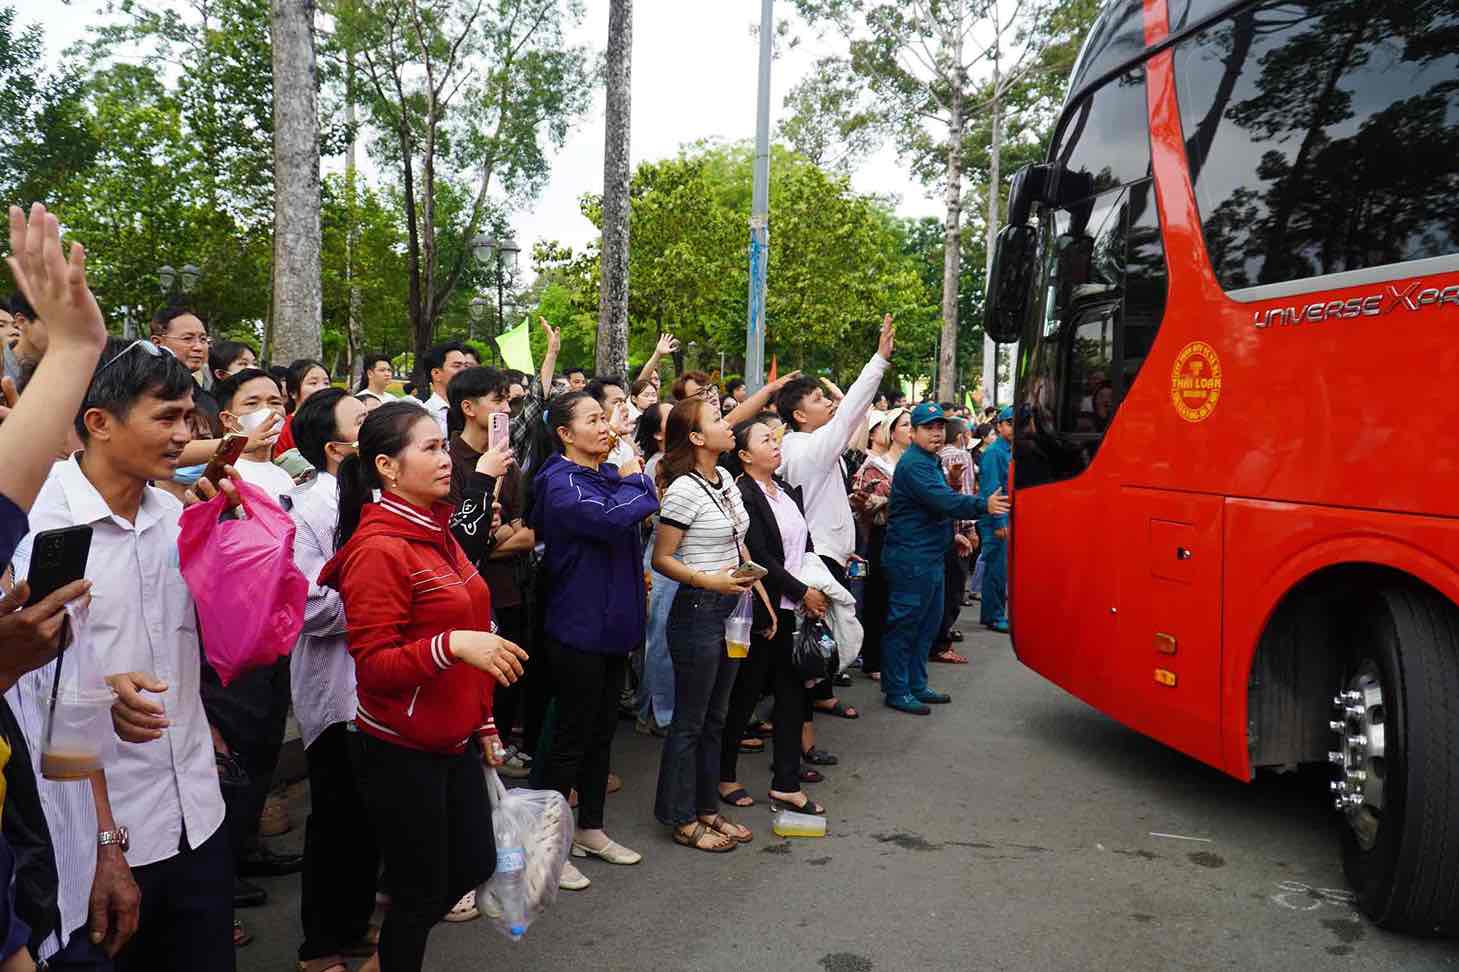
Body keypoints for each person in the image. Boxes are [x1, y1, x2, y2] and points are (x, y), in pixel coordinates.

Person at [26, 335, 234, 970]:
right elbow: (39, 695)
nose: (184, 436)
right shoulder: (41, 530)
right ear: (99, 423)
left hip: (198, 816)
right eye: (166, 417)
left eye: (189, 417)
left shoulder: (175, 519)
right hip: (97, 839)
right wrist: (103, 842)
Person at [318, 401, 526, 972]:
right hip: (400, 745)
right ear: (386, 466)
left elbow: (472, 624)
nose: (446, 459)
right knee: (420, 891)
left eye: (443, 446)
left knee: (472, 864)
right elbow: (374, 666)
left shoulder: (435, 528)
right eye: (430, 448)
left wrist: (483, 720)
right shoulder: (378, 549)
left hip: (453, 735)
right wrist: (451, 645)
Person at [530, 392, 659, 879]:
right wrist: (635, 476)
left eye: (605, 418)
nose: (605, 427)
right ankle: (546, 846)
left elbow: (631, 503)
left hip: (613, 624)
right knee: (570, 737)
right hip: (577, 625)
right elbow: (612, 516)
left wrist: (628, 478)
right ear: (565, 434)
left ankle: (591, 828)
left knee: (601, 734)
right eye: (593, 420)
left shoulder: (602, 475)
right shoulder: (559, 481)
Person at [285, 388, 379, 972]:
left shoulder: (372, 497)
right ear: (336, 448)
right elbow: (307, 605)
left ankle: (353, 923)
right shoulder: (308, 507)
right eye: (363, 422)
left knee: (369, 815)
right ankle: (319, 946)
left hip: (377, 686)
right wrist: (383, 605)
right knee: (336, 818)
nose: (376, 427)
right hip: (336, 688)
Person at [205, 368, 302, 918]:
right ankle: (223, 868)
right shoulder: (222, 475)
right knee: (235, 749)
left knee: (264, 744)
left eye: (275, 401)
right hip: (236, 634)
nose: (269, 411)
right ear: (228, 417)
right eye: (253, 402)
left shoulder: (285, 475)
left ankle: (248, 846)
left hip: (279, 630)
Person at [650, 398, 763, 853]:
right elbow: (662, 559)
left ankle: (706, 808)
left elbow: (738, 540)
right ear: (696, 438)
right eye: (717, 420)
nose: (729, 425)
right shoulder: (683, 489)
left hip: (732, 605)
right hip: (697, 608)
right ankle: (679, 817)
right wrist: (707, 580)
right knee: (691, 721)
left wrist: (755, 586)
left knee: (717, 716)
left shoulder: (725, 480)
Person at [776, 314, 896, 723]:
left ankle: (817, 697)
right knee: (811, 637)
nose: (829, 403)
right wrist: (878, 361)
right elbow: (849, 415)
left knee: (818, 634)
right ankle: (799, 718)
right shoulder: (807, 448)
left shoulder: (813, 446)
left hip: (831, 552)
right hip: (817, 556)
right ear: (798, 415)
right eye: (817, 399)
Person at [719, 420, 827, 815]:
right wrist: (801, 591)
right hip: (764, 611)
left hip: (795, 608)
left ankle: (786, 783)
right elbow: (760, 556)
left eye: (774, 437)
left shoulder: (784, 490)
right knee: (744, 694)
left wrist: (816, 585)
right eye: (765, 439)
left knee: (792, 696)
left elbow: (804, 543)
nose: (774, 444)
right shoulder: (743, 494)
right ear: (745, 455)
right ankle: (724, 775)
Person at [881, 403, 1009, 715]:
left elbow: (935, 502)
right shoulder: (915, 464)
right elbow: (943, 501)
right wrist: (983, 505)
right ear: (913, 433)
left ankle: (916, 684)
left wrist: (951, 485)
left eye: (940, 427)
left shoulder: (930, 460)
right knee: (905, 626)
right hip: (912, 558)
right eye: (929, 428)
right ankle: (897, 689)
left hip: (930, 555)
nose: (937, 433)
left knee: (926, 625)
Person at [446, 366, 539, 781]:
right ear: (468, 408)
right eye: (497, 400)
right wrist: (486, 534)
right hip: (468, 594)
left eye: (508, 400)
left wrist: (491, 539)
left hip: (510, 588)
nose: (506, 408)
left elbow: (524, 530)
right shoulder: (450, 462)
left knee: (507, 677)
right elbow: (456, 540)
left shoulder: (508, 462)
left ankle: (499, 752)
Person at [849, 407, 908, 681]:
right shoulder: (874, 467)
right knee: (878, 600)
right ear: (891, 432)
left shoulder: (919, 463)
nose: (911, 430)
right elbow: (864, 508)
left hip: (910, 539)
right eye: (905, 425)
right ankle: (874, 659)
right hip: (882, 538)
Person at [633, 402, 675, 737]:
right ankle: (661, 712)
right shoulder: (657, 465)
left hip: (674, 560)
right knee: (660, 640)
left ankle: (652, 707)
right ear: (659, 434)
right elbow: (653, 517)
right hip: (662, 561)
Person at [932, 417, 978, 664]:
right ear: (961, 436)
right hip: (954, 531)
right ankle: (941, 641)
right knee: (953, 588)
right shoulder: (961, 456)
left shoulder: (936, 457)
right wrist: (969, 528)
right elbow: (962, 497)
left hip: (942, 531)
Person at [979, 405, 1014, 633]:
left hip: (1006, 516)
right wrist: (999, 522)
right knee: (996, 570)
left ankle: (996, 613)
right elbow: (993, 489)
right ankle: (993, 616)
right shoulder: (995, 453)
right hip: (996, 518)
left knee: (1002, 569)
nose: (1014, 428)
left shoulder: (1010, 450)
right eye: (1010, 423)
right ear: (999, 426)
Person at [272, 359, 331, 459]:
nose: (322, 388)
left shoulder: (334, 423)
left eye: (326, 383)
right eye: (313, 383)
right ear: (293, 392)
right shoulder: (282, 429)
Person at [417, 341, 468, 437]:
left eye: (466, 366)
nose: (465, 371)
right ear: (436, 373)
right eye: (457, 366)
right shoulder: (423, 416)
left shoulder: (472, 411)